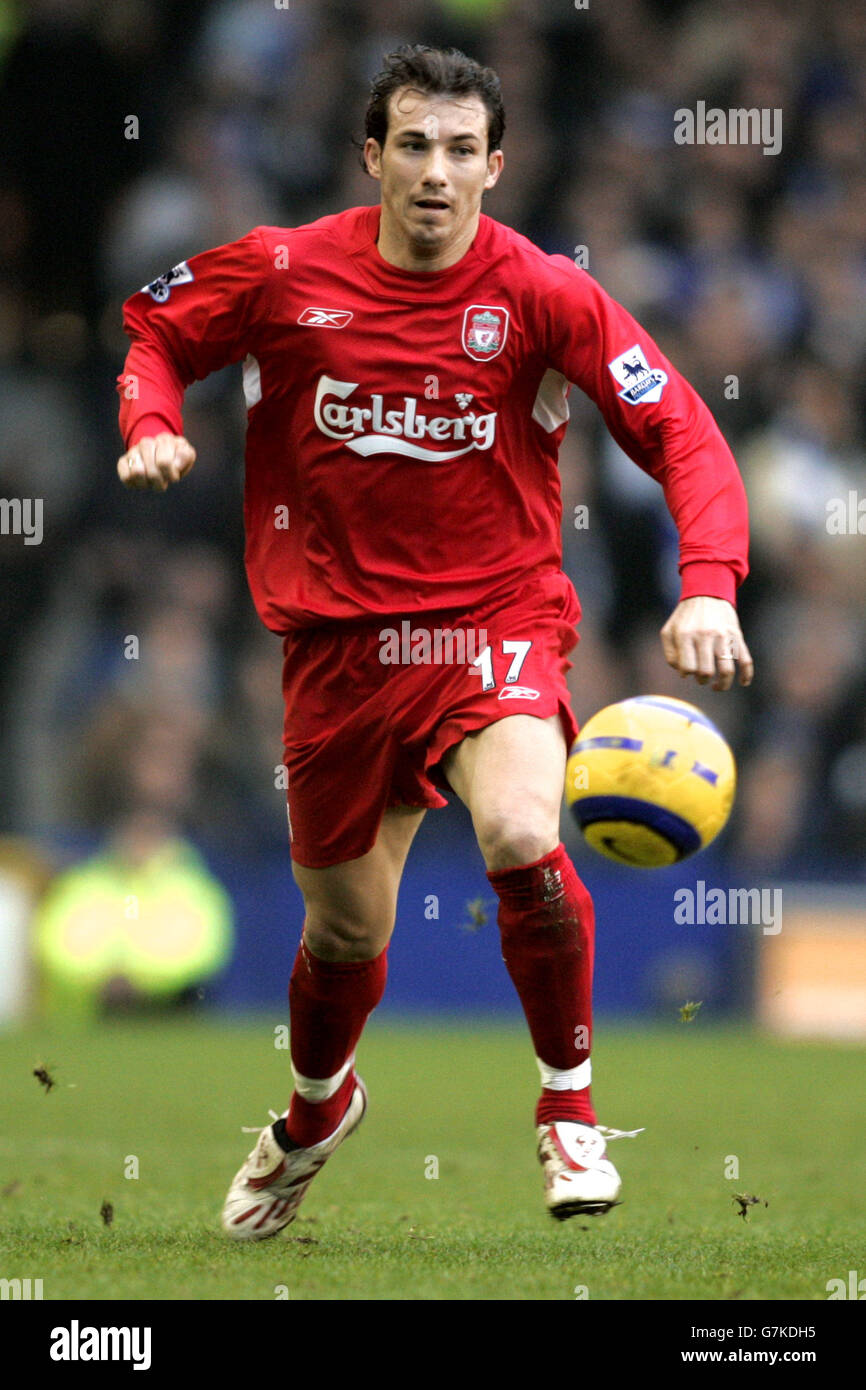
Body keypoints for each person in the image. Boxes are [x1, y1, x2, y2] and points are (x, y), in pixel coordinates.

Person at [115, 45, 753, 1238]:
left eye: (462, 150)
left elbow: (676, 424)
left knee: (519, 826)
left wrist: (707, 585)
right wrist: (151, 420)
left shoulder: (542, 293)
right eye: (413, 144)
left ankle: (567, 1111)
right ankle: (315, 1110)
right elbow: (156, 327)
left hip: (491, 618)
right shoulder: (285, 267)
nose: (435, 171)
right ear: (373, 155)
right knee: (344, 933)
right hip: (336, 650)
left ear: (495, 167)